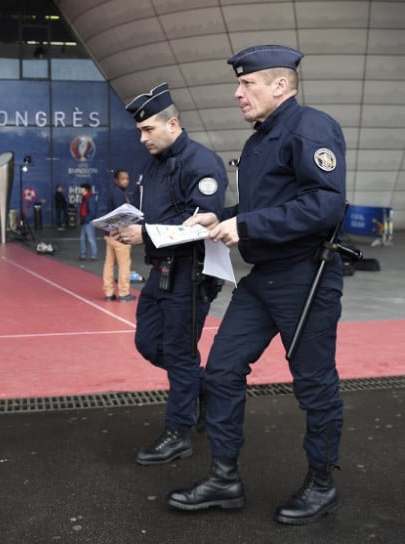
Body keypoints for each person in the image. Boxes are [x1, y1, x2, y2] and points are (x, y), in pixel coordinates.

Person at [167, 45, 348, 526]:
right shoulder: (260, 139)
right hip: (263, 279)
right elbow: (265, 205)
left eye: (247, 84)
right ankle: (224, 479)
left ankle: (322, 484)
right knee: (221, 371)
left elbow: (325, 205)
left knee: (314, 386)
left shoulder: (310, 127)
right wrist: (221, 216)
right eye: (240, 84)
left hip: (304, 278)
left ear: (281, 85)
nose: (237, 92)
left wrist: (245, 227)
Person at [112, 83, 228, 465]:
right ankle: (201, 386)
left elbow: (202, 225)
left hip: (189, 274)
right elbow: (161, 216)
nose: (142, 137)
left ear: (173, 123)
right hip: (160, 271)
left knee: (179, 353)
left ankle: (178, 432)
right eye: (140, 131)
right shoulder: (156, 164)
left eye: (148, 129)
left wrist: (143, 234)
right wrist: (131, 224)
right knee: (148, 342)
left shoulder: (202, 163)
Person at [102, 170, 136, 302]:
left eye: (127, 178)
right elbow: (122, 213)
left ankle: (109, 293)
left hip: (109, 234)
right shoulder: (119, 194)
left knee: (109, 264)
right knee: (124, 264)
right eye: (122, 179)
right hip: (119, 235)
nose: (126, 181)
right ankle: (123, 293)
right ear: (116, 180)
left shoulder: (113, 192)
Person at [77, 183, 98, 261]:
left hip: (88, 222)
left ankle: (94, 256)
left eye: (81, 189)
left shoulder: (90, 198)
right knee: (82, 239)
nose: (80, 190)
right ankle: (83, 255)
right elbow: (83, 210)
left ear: (85, 189)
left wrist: (86, 220)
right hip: (84, 221)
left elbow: (92, 212)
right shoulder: (84, 198)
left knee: (91, 239)